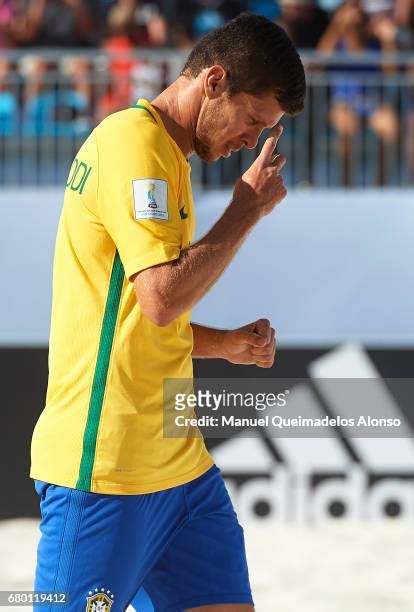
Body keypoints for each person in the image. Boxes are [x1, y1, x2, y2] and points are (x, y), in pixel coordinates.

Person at [30, 13, 305, 612]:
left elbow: (132, 317)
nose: (251, 141)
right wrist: (244, 211)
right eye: (253, 120)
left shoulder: (167, 156)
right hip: (105, 469)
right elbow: (160, 299)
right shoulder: (135, 145)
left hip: (179, 466)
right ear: (213, 82)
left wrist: (223, 343)